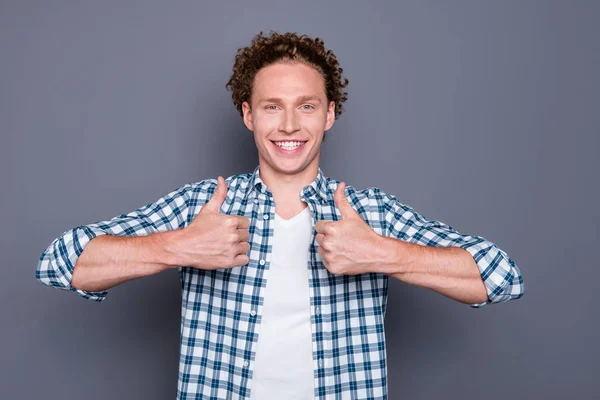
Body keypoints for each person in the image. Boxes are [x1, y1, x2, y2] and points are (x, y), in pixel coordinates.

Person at [36, 31, 524, 400]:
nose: (289, 124)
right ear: (248, 115)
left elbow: (499, 276)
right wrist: (178, 245)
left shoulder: (369, 212)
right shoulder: (204, 206)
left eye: (306, 106)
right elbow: (61, 262)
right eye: (272, 107)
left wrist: (384, 253)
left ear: (329, 114)